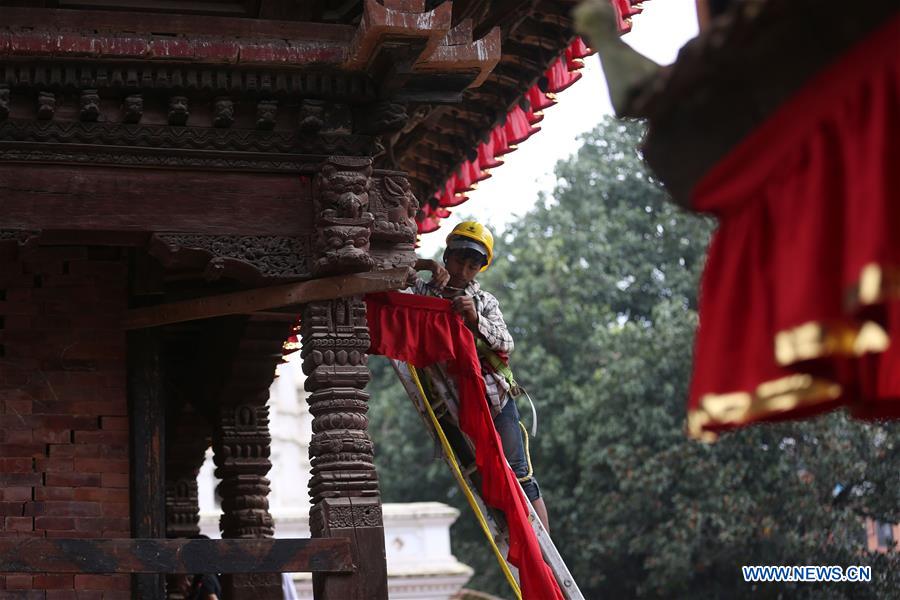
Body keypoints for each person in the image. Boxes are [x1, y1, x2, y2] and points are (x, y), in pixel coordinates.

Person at [410, 220, 551, 532]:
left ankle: (544, 556)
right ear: (447, 256)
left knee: (518, 473)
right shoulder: (420, 290)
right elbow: (387, 273)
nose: (464, 269)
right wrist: (424, 264)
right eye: (460, 259)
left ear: (479, 269)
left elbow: (506, 343)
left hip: (495, 399)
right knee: (479, 476)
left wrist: (474, 320)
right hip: (449, 405)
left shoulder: (484, 301)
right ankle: (516, 539)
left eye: (473, 265)